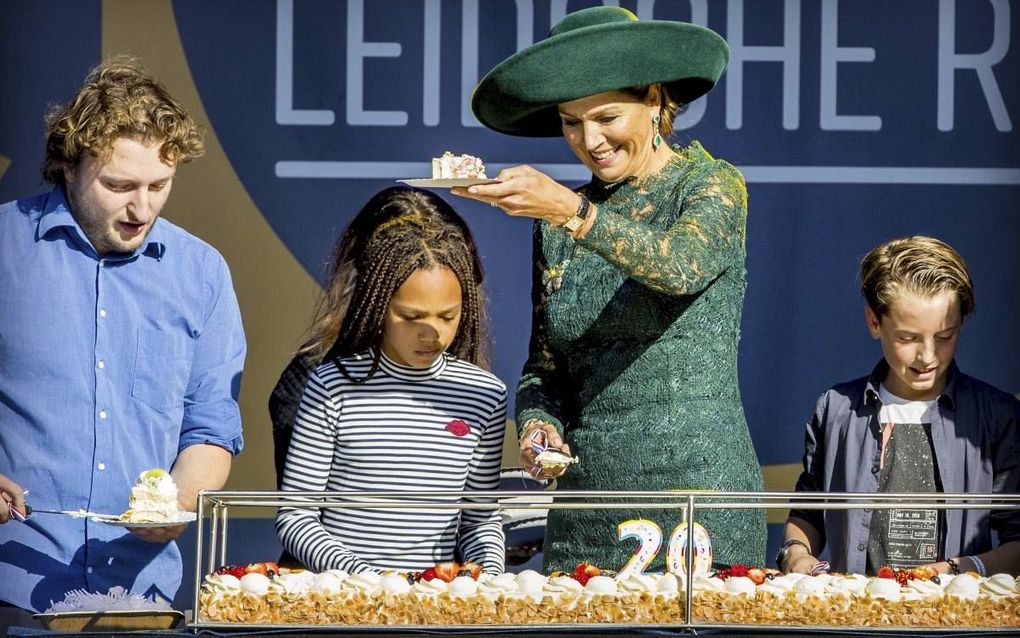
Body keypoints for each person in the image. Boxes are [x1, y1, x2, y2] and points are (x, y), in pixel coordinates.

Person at [455, 6, 766, 572]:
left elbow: (679, 266)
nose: (588, 139)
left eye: (606, 116)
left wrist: (570, 210)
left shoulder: (712, 185)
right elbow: (543, 368)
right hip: (587, 512)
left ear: (654, 100)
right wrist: (538, 430)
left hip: (701, 503)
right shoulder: (560, 220)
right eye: (571, 121)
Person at [0, 56, 246, 620]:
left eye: (160, 185)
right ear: (68, 165)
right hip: (10, 584)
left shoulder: (202, 273)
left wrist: (177, 508)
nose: (142, 209)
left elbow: (209, 425)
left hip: (142, 596)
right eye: (118, 185)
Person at [275, 186, 507, 575]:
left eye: (447, 317)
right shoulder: (331, 386)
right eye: (412, 317)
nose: (431, 333)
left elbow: (480, 520)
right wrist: (367, 578)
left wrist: (487, 577)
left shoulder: (485, 394)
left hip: (438, 605)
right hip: (346, 603)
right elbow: (296, 517)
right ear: (378, 306)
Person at [780, 236, 1020, 576]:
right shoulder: (835, 409)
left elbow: (1017, 539)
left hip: (957, 623)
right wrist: (796, 554)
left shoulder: (998, 415)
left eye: (944, 336)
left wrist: (958, 570)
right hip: (853, 621)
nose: (928, 355)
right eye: (908, 338)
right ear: (874, 322)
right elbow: (807, 512)